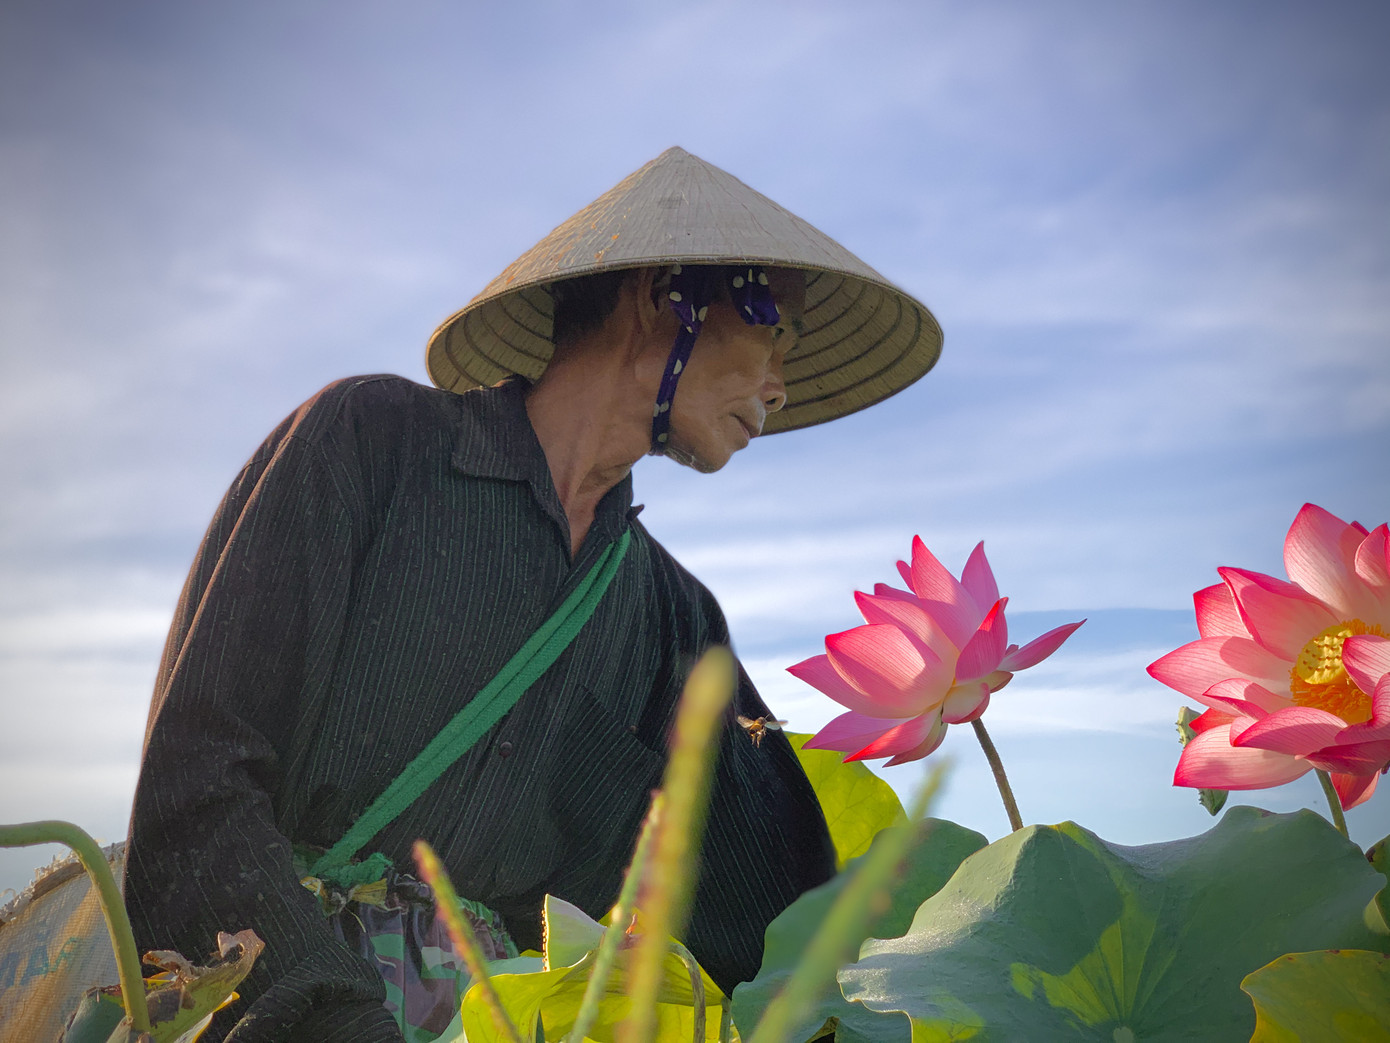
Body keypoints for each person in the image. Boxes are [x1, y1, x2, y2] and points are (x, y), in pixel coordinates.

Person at [123, 147, 943, 1041]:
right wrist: (332, 1015)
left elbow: (772, 926)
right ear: (663, 294)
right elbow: (197, 786)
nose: (780, 384)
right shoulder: (368, 444)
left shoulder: (675, 615)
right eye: (772, 327)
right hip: (263, 1004)